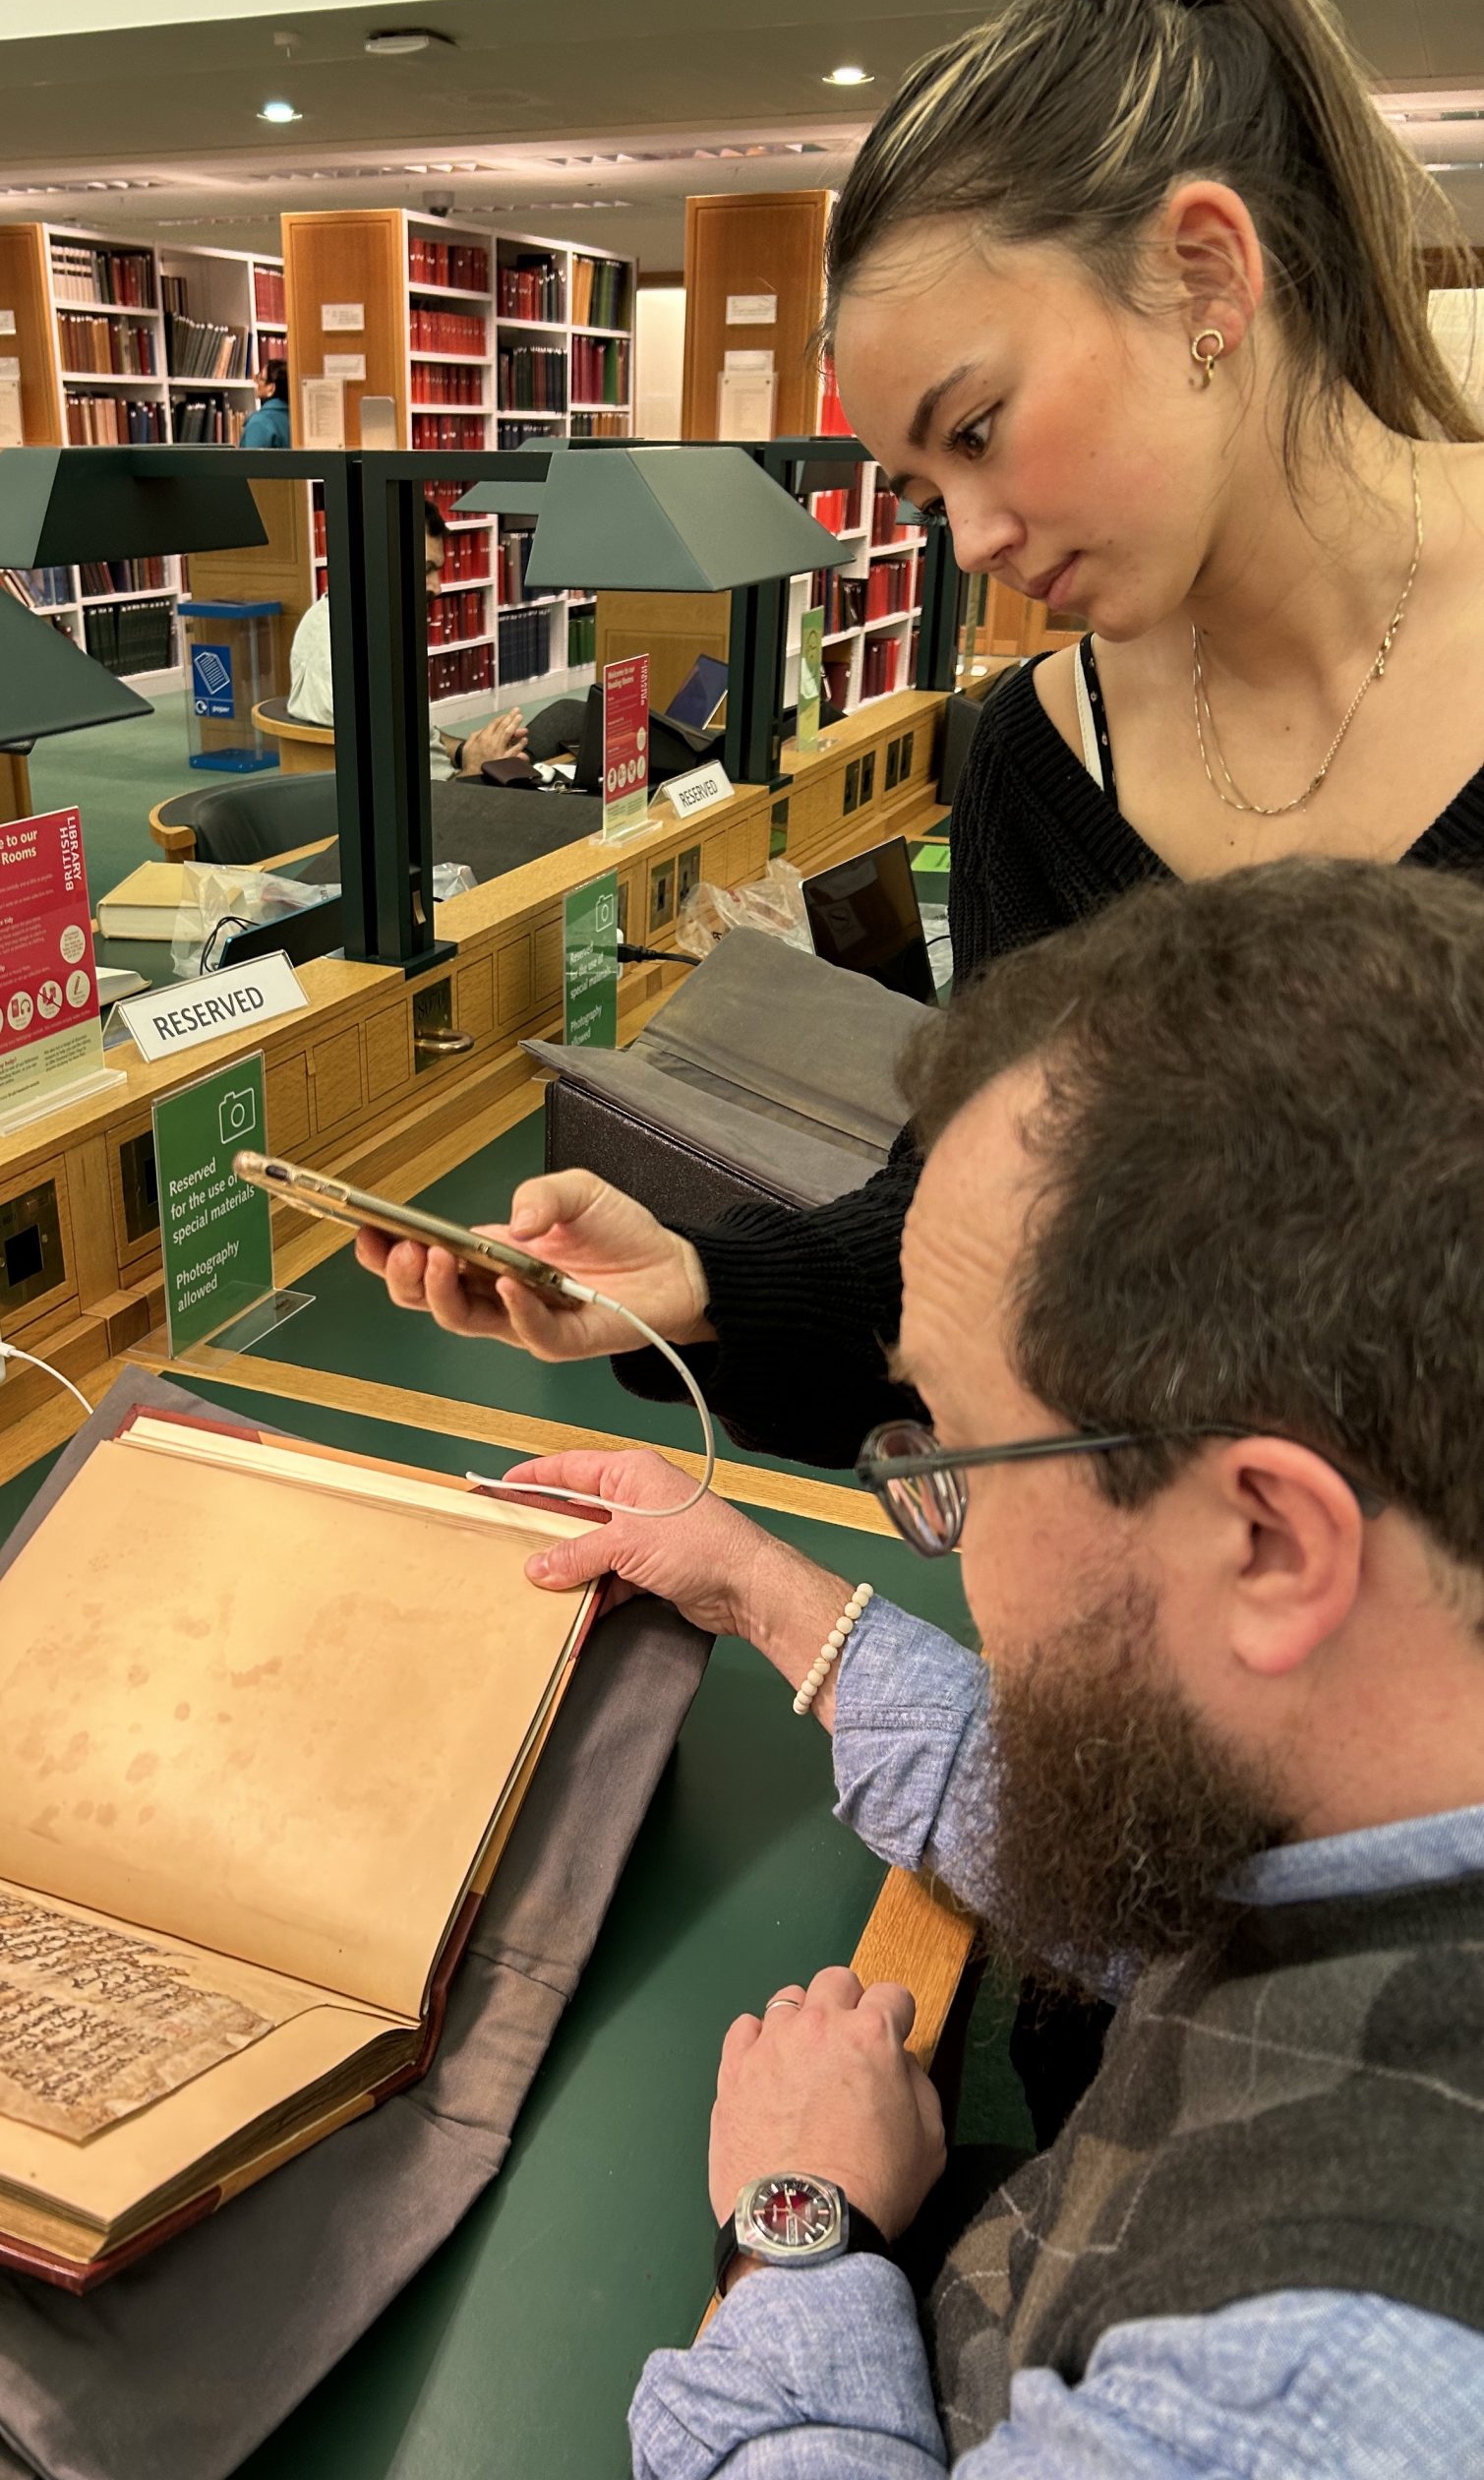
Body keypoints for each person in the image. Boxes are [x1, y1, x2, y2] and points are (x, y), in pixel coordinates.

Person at [357, 0, 1484, 1472]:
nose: (966, 540)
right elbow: (978, 1207)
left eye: (977, 431)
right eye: (918, 488)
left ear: (1208, 279)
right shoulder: (1041, 754)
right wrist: (704, 1289)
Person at [499, 857, 1484, 2477]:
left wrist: (794, 2227)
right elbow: (1147, 1854)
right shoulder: (1384, 1760)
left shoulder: (1324, 2386)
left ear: (1265, 1542)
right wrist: (766, 1593)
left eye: (954, 1452)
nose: (935, 1526)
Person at [287, 497, 529, 780]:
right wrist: (476, 769)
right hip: (439, 805)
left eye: (438, 570)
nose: (437, 587)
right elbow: (419, 800)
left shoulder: (332, 617)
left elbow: (418, 738)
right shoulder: (359, 653)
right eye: (426, 569)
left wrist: (468, 750)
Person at [239, 359, 290, 450]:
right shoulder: (299, 420)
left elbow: (249, 462)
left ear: (271, 388)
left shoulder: (260, 423)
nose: (257, 382)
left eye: (261, 379)